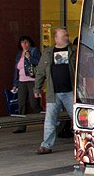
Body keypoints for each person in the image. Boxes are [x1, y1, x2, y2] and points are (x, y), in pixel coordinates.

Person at [34, 27, 76, 155]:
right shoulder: (47, 53)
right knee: (50, 120)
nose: (67, 37)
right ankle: (46, 145)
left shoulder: (74, 51)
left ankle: (82, 143)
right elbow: (40, 72)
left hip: (71, 92)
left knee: (77, 119)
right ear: (56, 38)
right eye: (64, 36)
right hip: (54, 93)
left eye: (67, 35)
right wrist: (38, 88)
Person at [11, 35, 41, 133]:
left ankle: (44, 118)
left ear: (30, 43)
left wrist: (30, 58)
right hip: (21, 81)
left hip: (32, 80)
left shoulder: (34, 51)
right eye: (22, 43)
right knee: (21, 104)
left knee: (33, 103)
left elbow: (39, 63)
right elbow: (16, 69)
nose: (24, 44)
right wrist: (15, 84)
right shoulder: (19, 54)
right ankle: (21, 127)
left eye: (26, 42)